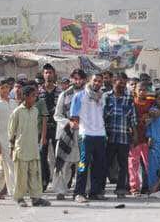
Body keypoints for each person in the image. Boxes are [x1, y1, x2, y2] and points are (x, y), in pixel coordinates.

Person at [9, 85, 50, 207]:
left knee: (35, 175)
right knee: (21, 176)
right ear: (25, 97)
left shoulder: (35, 111)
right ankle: (19, 198)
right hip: (21, 148)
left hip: (33, 148)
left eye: (35, 96)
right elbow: (11, 132)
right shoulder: (17, 112)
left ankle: (36, 198)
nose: (35, 98)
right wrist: (11, 148)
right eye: (33, 96)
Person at [70, 72, 108, 202]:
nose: (97, 83)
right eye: (95, 80)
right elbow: (74, 117)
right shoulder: (79, 96)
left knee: (99, 165)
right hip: (86, 134)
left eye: (99, 81)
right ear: (89, 81)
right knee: (83, 164)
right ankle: (78, 193)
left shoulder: (102, 97)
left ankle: (95, 192)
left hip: (100, 134)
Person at [52, 69, 85, 200]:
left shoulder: (88, 95)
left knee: (82, 164)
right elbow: (57, 115)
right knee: (64, 164)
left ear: (84, 80)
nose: (77, 81)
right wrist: (69, 122)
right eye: (75, 78)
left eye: (80, 79)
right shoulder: (64, 95)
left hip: (83, 133)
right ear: (71, 79)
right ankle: (61, 190)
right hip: (66, 134)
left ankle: (82, 190)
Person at [103, 73, 136, 197]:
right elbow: (101, 116)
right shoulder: (106, 97)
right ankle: (100, 189)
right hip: (109, 137)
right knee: (105, 164)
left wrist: (135, 134)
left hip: (124, 137)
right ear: (114, 82)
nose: (122, 85)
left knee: (123, 165)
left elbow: (133, 118)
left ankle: (121, 189)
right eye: (119, 82)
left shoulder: (129, 98)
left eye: (124, 82)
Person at [0, 77, 18, 199]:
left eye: (7, 87)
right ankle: (14, 192)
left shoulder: (13, 103)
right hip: (3, 139)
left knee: (5, 164)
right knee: (10, 164)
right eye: (2, 88)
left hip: (15, 138)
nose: (5, 90)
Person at [129, 80, 153, 195]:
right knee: (133, 163)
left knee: (149, 163)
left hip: (147, 137)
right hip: (135, 138)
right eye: (140, 90)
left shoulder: (151, 102)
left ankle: (150, 186)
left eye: (144, 90)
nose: (142, 92)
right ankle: (134, 188)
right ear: (135, 91)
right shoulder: (132, 103)